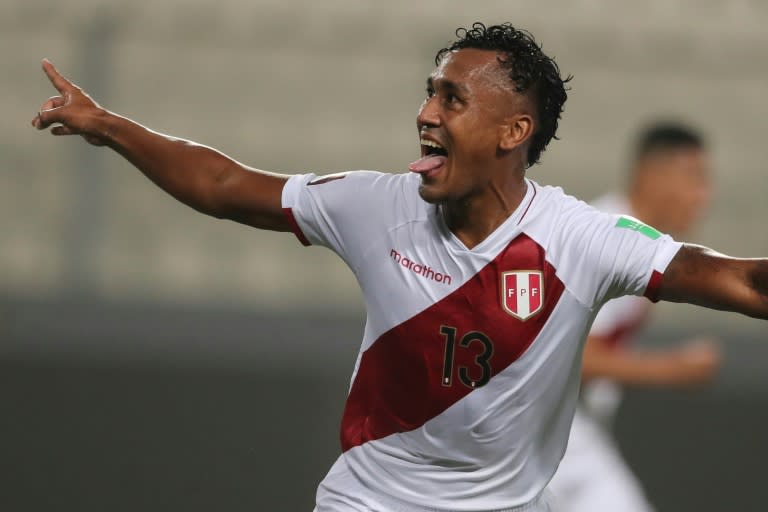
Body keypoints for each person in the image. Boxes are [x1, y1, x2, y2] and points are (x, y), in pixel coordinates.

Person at [32, 22, 766, 512]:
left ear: (515, 130)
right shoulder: (375, 205)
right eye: (429, 93)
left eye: (452, 98)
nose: (426, 113)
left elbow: (734, 278)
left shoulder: (584, 237)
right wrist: (111, 127)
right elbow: (225, 187)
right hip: (369, 501)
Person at [547, 122, 722, 512]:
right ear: (651, 175)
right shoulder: (614, 239)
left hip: (572, 435)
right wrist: (672, 369)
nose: (703, 195)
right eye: (694, 177)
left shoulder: (642, 239)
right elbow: (570, 355)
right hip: (541, 437)